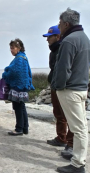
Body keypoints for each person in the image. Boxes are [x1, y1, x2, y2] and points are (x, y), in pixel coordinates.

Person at [51, 8, 90, 173]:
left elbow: (63, 69)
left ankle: (78, 164)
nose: (59, 26)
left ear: (66, 24)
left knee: (78, 128)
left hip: (70, 90)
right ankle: (78, 157)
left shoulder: (68, 41)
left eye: (60, 23)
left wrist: (57, 87)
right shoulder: (84, 38)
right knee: (81, 126)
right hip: (81, 88)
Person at [43, 25, 74, 155]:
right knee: (59, 114)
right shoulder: (54, 51)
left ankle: (70, 143)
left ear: (57, 36)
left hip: (64, 87)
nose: (47, 40)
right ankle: (61, 138)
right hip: (55, 85)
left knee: (69, 115)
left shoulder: (63, 48)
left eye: (49, 37)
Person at [2, 38, 35, 136]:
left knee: (17, 108)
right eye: (10, 48)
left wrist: (5, 73)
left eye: (12, 48)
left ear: (18, 48)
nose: (11, 50)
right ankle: (25, 128)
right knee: (22, 107)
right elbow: (28, 72)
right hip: (23, 87)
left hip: (18, 87)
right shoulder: (24, 57)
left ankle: (19, 128)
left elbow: (13, 72)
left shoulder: (19, 59)